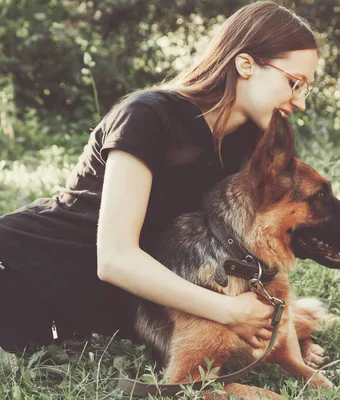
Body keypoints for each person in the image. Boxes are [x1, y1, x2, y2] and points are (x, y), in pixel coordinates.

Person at [0, 1, 318, 352]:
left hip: (130, 306)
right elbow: (114, 259)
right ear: (245, 64)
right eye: (295, 83)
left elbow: (254, 246)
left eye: (305, 89)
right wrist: (228, 311)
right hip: (27, 267)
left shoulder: (253, 145)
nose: (299, 101)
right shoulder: (147, 117)